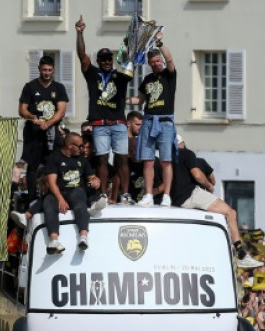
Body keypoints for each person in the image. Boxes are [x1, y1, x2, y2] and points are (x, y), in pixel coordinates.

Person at [171, 138, 263, 269]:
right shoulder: (189, 155)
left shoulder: (164, 158)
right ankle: (240, 254)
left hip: (174, 201)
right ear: (183, 143)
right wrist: (208, 185)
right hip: (190, 195)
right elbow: (203, 178)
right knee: (230, 213)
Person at [76, 15, 132, 205]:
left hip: (118, 123)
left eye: (109, 59)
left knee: (122, 159)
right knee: (102, 159)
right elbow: (82, 56)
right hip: (99, 124)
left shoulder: (120, 75)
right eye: (103, 59)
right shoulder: (93, 74)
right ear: (99, 61)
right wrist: (80, 33)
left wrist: (128, 43)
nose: (107, 62)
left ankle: (125, 194)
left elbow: (128, 59)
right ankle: (102, 194)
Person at [126, 35, 175, 207]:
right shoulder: (147, 79)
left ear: (160, 60)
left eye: (157, 61)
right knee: (147, 160)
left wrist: (160, 43)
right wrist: (121, 100)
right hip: (148, 120)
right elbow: (139, 100)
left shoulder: (169, 75)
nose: (155, 64)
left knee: (166, 160)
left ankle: (167, 195)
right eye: (152, 62)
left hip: (165, 121)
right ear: (149, 63)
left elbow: (170, 59)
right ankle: (148, 195)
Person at [42, 132, 104, 254]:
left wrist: (96, 180)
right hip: (59, 192)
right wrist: (60, 199)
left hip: (75, 191)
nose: (82, 149)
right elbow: (51, 182)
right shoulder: (54, 158)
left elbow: (91, 176)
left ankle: (83, 237)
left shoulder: (81, 159)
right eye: (80, 146)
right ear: (70, 146)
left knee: (79, 194)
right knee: (48, 202)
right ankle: (54, 241)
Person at [19, 55, 69, 200]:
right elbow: (22, 109)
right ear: (39, 69)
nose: (46, 73)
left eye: (49, 70)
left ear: (53, 70)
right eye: (44, 70)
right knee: (32, 165)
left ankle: (54, 195)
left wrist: (49, 122)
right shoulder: (30, 86)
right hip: (34, 131)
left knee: (54, 163)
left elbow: (61, 110)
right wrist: (32, 118)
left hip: (52, 131)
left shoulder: (59, 88)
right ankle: (32, 197)